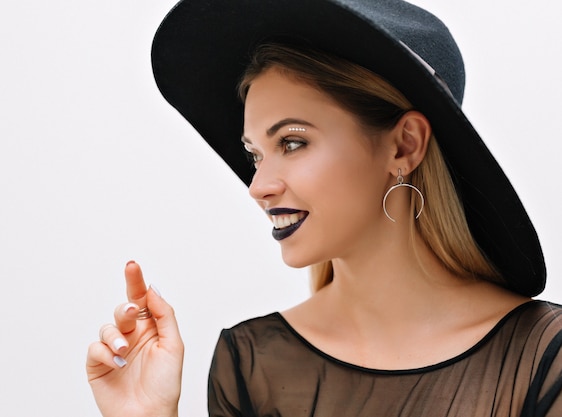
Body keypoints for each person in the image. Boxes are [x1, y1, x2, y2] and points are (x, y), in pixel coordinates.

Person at [86, 0, 562, 416]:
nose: (258, 186)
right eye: (256, 154)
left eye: (292, 142)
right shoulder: (253, 363)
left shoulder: (544, 356)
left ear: (404, 146)